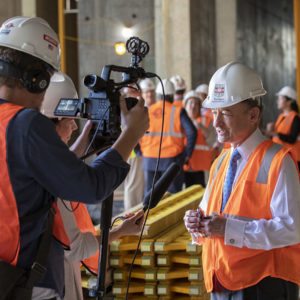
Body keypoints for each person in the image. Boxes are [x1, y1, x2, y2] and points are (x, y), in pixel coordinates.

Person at [0, 16, 148, 300]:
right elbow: (90, 187)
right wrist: (130, 135)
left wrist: (89, 140)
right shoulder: (26, 123)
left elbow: (33, 170)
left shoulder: (11, 126)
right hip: (23, 280)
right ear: (37, 78)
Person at [184, 61, 300, 300]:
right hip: (222, 278)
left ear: (253, 115)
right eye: (214, 113)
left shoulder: (278, 161)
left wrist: (228, 228)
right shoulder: (222, 161)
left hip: (264, 284)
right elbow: (214, 213)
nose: (215, 123)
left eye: (224, 113)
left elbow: (292, 228)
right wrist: (197, 222)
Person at [40, 71, 145, 300]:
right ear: (53, 123)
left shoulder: (29, 151)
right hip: (50, 283)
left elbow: (64, 163)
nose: (75, 128)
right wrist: (131, 133)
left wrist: (89, 134)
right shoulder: (49, 175)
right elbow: (77, 247)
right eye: (71, 121)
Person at [140, 79, 197, 194]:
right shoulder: (178, 111)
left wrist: (139, 151)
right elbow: (192, 132)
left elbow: (134, 132)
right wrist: (186, 154)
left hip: (149, 159)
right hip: (172, 160)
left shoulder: (148, 110)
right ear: (172, 95)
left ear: (158, 95)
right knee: (172, 196)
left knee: (150, 197)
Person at [183, 90, 215, 187]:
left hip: (201, 167)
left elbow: (212, 140)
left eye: (196, 104)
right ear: (185, 105)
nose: (193, 106)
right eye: (191, 103)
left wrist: (201, 127)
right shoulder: (180, 120)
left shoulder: (206, 120)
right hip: (184, 166)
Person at [122, 82, 145, 210]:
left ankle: (131, 212)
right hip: (135, 150)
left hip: (129, 149)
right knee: (134, 185)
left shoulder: (122, 104)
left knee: (132, 184)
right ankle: (131, 213)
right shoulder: (131, 105)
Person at [265, 86, 300, 169]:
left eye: (280, 99)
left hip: (293, 158)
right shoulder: (281, 116)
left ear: (289, 101)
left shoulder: (295, 118)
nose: (277, 101)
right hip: (281, 156)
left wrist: (274, 133)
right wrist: (270, 131)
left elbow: (291, 139)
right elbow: (276, 137)